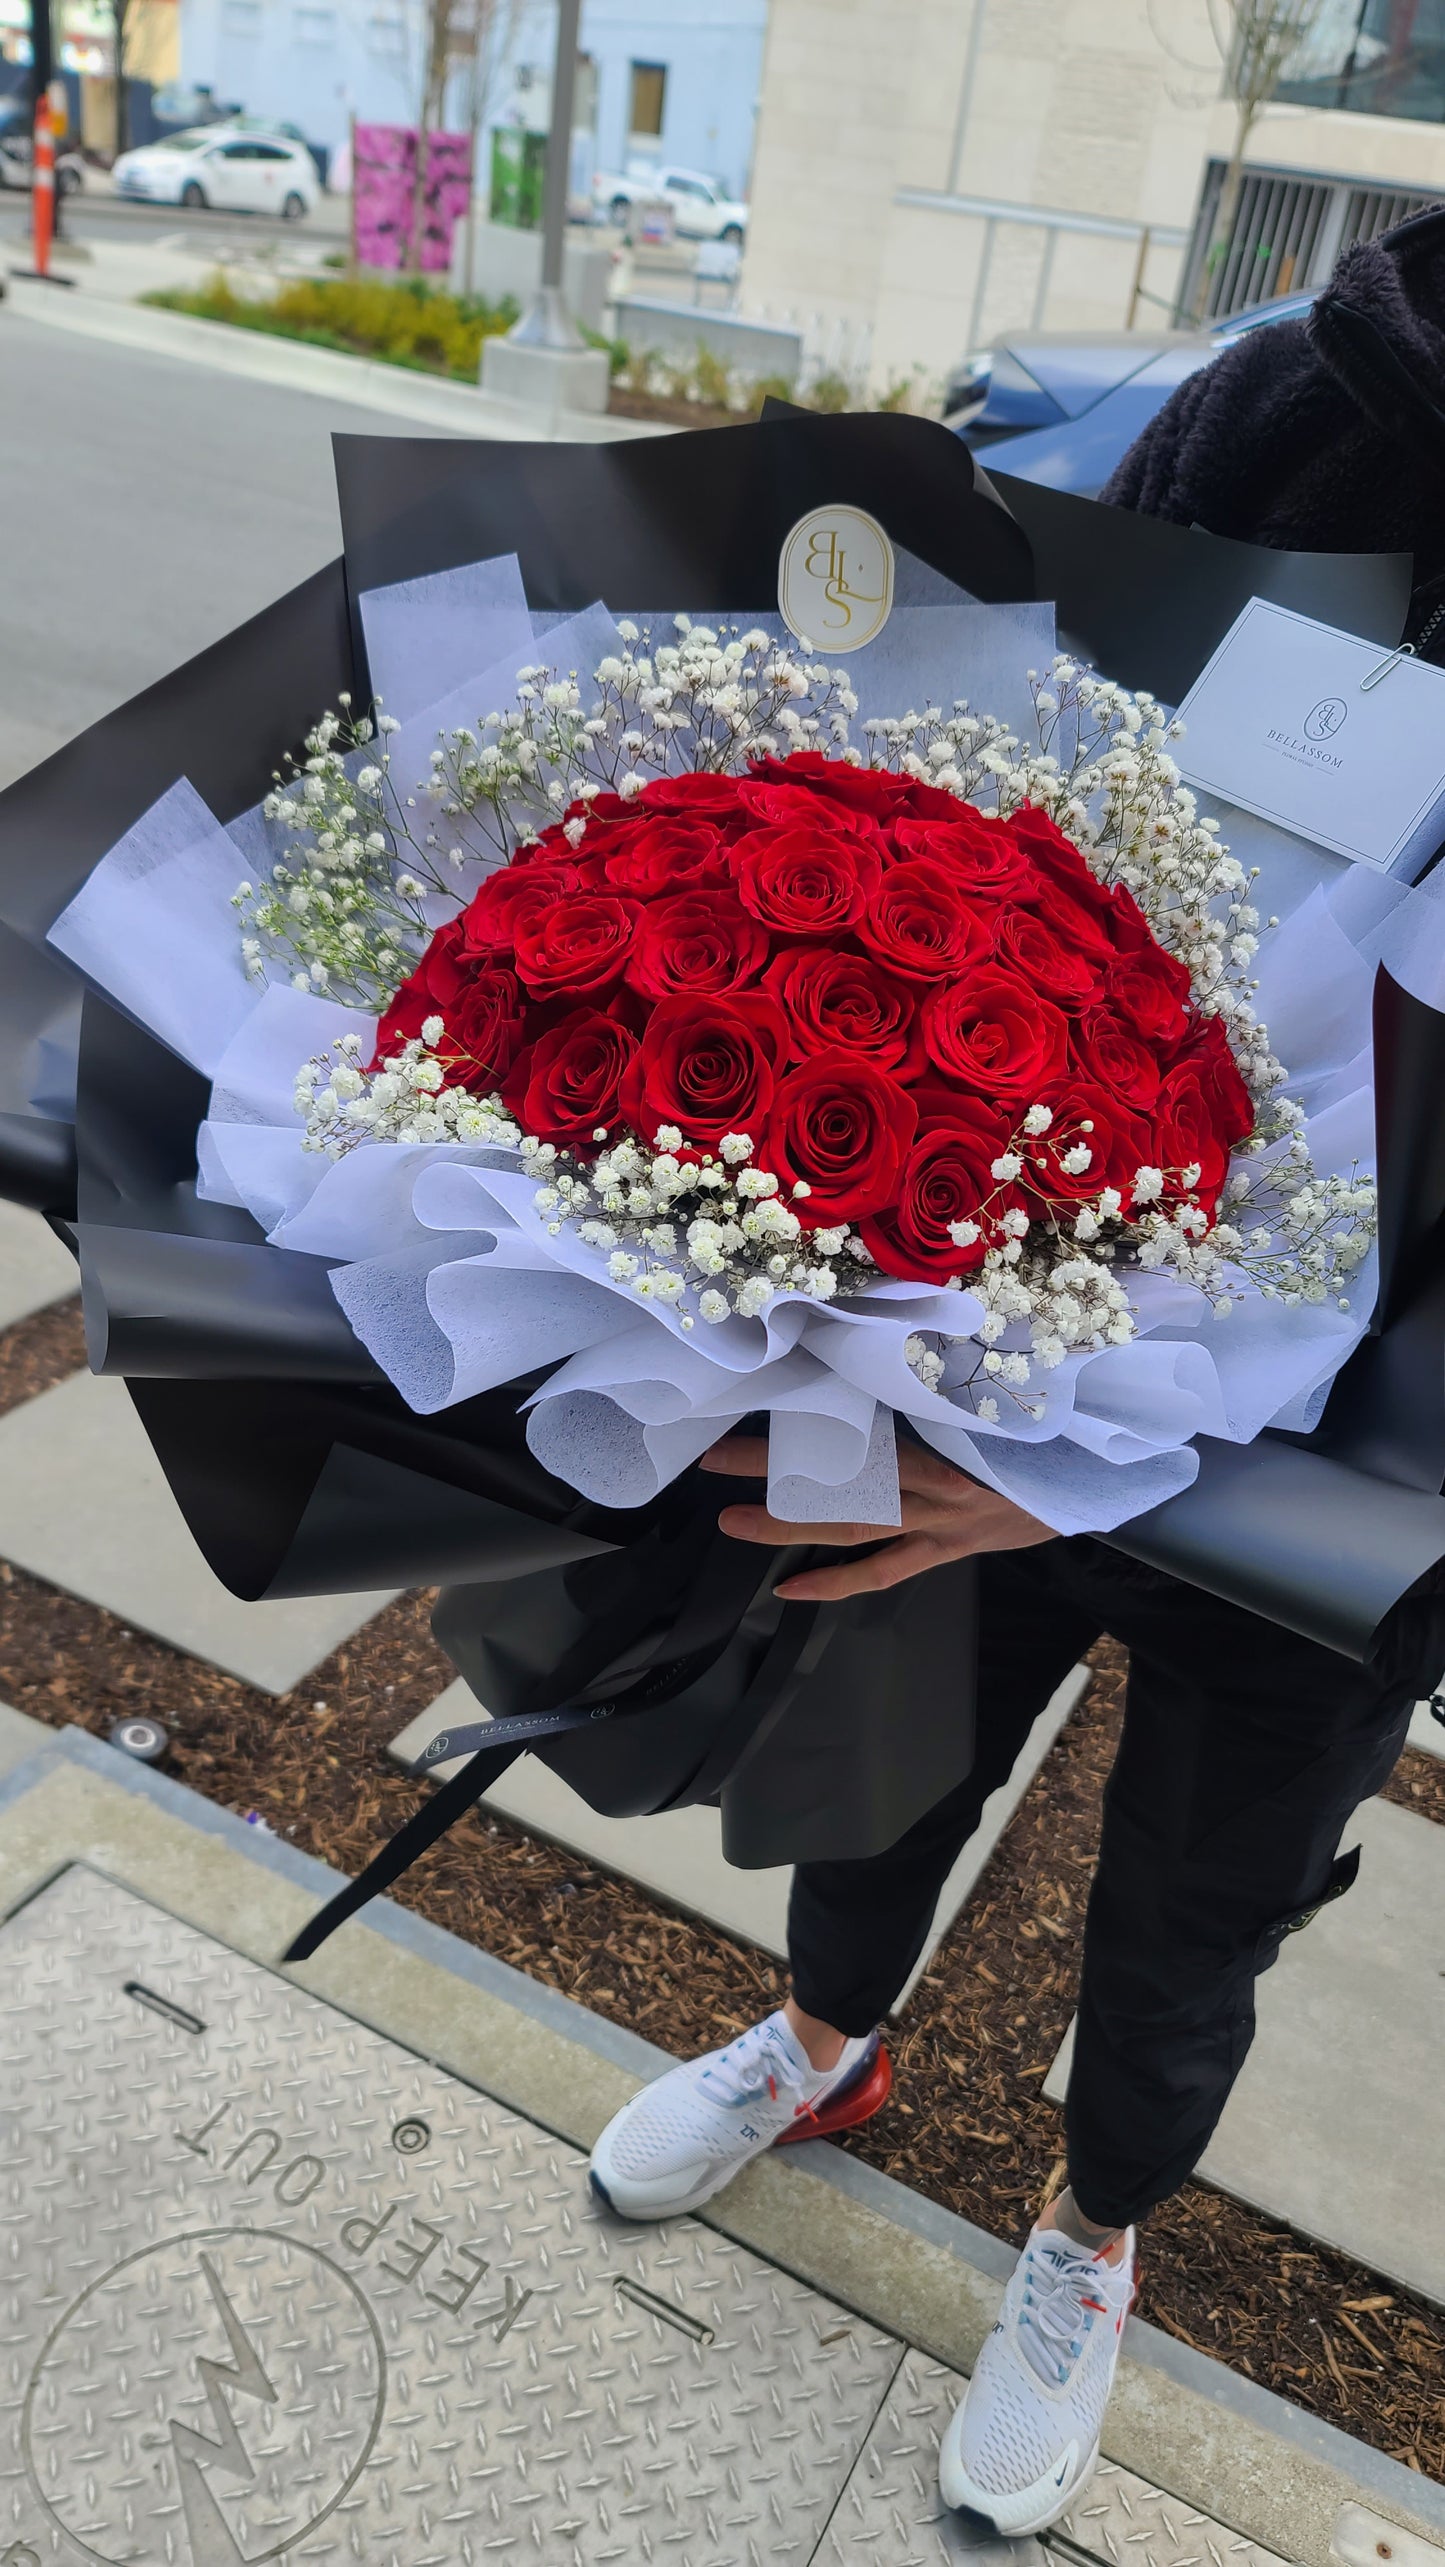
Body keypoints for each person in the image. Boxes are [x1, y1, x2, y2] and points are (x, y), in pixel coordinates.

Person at [589, 1436, 1443, 2533]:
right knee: (877, 1791)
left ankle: (1090, 2236)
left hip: (1332, 1546)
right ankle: (817, 2050)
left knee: (1184, 1942)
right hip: (1013, 1432)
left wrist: (1112, 1492)